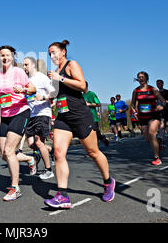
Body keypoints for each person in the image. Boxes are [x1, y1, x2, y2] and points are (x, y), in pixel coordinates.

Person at [43, 40, 115, 209]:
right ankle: (62, 195)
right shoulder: (54, 72)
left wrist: (60, 78)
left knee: (92, 152)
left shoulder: (71, 64)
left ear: (63, 52)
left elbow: (82, 86)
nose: (51, 56)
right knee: (59, 153)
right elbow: (57, 94)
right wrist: (48, 96)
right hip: (63, 117)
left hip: (79, 115)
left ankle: (108, 182)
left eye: (54, 52)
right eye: (49, 54)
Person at [0, 45, 37, 201]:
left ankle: (15, 188)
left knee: (9, 151)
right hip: (5, 115)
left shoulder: (19, 72)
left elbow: (33, 89)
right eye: (2, 55)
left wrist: (23, 89)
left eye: (8, 55)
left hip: (20, 113)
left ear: (13, 57)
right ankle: (30, 159)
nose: (5, 57)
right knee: (3, 154)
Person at [23, 56, 55, 180]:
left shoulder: (41, 77)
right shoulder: (26, 80)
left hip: (43, 113)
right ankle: (50, 150)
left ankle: (48, 170)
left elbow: (54, 93)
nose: (24, 67)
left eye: (26, 65)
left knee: (38, 142)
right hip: (31, 115)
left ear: (33, 65)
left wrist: (43, 97)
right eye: (23, 65)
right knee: (31, 144)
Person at [130, 71, 166, 166]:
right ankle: (159, 143)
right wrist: (134, 111)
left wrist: (161, 106)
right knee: (147, 138)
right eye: (139, 77)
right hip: (142, 117)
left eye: (142, 77)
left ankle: (156, 158)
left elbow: (163, 101)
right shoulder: (136, 91)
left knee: (152, 133)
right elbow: (133, 103)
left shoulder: (153, 89)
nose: (140, 78)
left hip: (154, 115)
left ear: (146, 78)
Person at [83, 82, 109, 146]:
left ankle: (102, 138)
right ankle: (93, 150)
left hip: (93, 117)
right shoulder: (81, 96)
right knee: (88, 134)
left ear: (85, 86)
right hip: (85, 118)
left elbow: (99, 104)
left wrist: (89, 104)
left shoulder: (92, 94)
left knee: (96, 133)